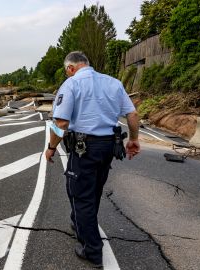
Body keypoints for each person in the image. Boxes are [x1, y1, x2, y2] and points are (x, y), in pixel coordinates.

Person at [45, 51, 140, 267]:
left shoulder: (71, 85)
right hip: (109, 146)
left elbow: (60, 123)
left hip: (83, 148)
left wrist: (51, 147)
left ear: (70, 68)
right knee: (94, 189)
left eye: (66, 71)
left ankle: (92, 250)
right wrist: (133, 139)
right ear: (87, 64)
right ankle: (79, 224)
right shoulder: (113, 82)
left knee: (80, 195)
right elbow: (132, 115)